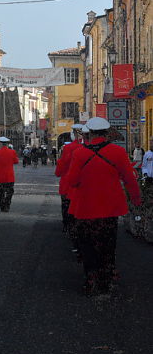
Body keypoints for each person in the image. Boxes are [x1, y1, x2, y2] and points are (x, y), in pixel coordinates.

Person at [67, 117, 141, 296]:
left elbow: (72, 181)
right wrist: (136, 201)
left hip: (85, 208)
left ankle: (91, 277)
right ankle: (106, 278)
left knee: (87, 244)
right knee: (108, 243)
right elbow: (130, 179)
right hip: (110, 208)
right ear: (107, 133)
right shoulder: (118, 152)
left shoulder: (79, 154)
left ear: (90, 133)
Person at [55, 123, 83, 235]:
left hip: (68, 183)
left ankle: (67, 225)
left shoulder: (69, 148)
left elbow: (62, 166)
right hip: (85, 184)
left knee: (66, 206)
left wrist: (58, 171)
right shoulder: (88, 147)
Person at [0, 136, 19, 212]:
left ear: (0, 143)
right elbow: (16, 161)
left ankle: (2, 206)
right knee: (10, 191)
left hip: (0, 176)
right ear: (7, 144)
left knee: (1, 192)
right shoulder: (12, 152)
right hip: (9, 176)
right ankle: (7, 204)